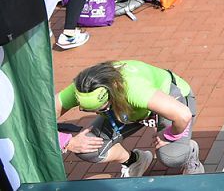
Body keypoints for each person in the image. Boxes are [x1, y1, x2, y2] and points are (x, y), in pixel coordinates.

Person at [55, 61, 204, 177]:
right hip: (131, 109)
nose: (95, 113)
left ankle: (189, 153)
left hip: (168, 98)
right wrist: (68, 141)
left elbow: (182, 115)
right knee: (88, 150)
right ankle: (135, 161)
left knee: (172, 156)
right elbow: (37, 122)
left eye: (100, 109)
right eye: (86, 109)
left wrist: (168, 135)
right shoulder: (81, 88)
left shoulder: (135, 89)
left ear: (112, 92)